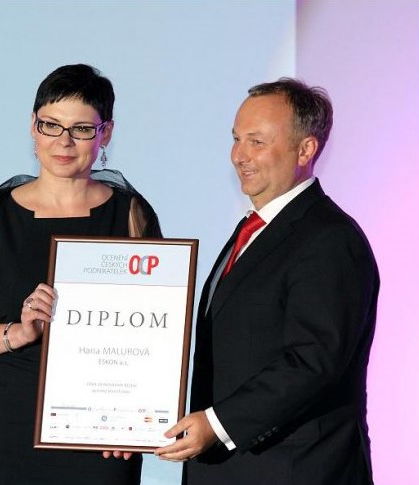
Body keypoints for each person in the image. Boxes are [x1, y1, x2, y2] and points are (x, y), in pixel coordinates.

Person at [0, 64, 161, 485]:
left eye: (81, 129)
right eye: (51, 125)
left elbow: (153, 334)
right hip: (8, 420)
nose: (64, 141)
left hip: (100, 426)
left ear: (106, 133)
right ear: (33, 126)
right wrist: (18, 333)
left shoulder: (130, 215)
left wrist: (134, 417)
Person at [155, 78, 379, 485]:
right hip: (232, 470)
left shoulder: (330, 239)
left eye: (256, 142)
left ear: (305, 150)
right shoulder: (254, 231)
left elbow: (313, 361)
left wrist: (218, 424)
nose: (239, 155)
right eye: (236, 139)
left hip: (297, 470)